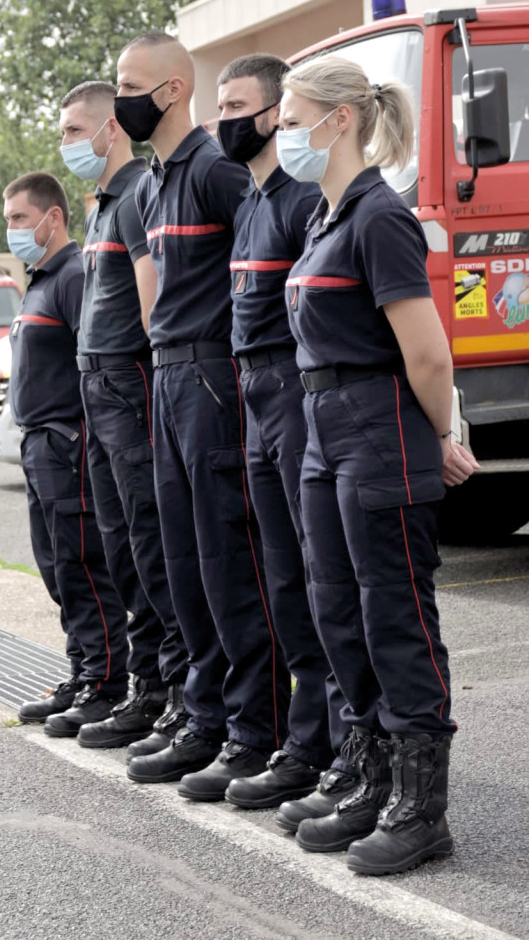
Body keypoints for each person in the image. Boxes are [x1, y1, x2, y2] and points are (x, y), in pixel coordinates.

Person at [277, 55, 478, 874]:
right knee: (336, 609)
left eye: (292, 120)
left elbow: (426, 353)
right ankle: (369, 777)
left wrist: (441, 435)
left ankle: (421, 809)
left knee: (394, 615)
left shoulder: (380, 217)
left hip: (377, 426)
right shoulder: (324, 219)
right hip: (323, 427)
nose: (282, 134)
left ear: (341, 120)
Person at [115, 32, 289, 799]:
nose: (122, 99)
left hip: (215, 379)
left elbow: (264, 268)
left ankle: (257, 730)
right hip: (168, 378)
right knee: (184, 564)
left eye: (131, 85)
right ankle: (206, 714)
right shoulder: (155, 184)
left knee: (229, 562)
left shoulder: (216, 169)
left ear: (173, 89)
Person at [214, 53, 353, 813]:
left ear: (275, 114)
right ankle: (306, 744)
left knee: (320, 573)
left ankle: (343, 747)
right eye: (221, 106)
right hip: (253, 397)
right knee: (283, 581)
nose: (225, 121)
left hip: (296, 393)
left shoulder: (303, 200)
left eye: (238, 106)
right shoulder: (251, 201)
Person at [53, 81, 188, 748]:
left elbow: (151, 302)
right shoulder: (102, 204)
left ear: (112, 130)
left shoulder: (137, 194)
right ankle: (147, 685)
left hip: (130, 384)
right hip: (97, 386)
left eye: (75, 131)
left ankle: (176, 694)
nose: (66, 143)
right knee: (119, 546)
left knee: (149, 543)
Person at [4, 172, 130, 735]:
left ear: (52, 218)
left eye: (20, 219)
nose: (12, 229)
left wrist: (82, 439)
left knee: (83, 567)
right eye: (8, 220)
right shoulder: (40, 280)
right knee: (57, 569)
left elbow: (94, 362)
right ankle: (81, 673)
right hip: (38, 444)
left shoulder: (74, 276)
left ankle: (106, 683)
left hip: (67, 444)